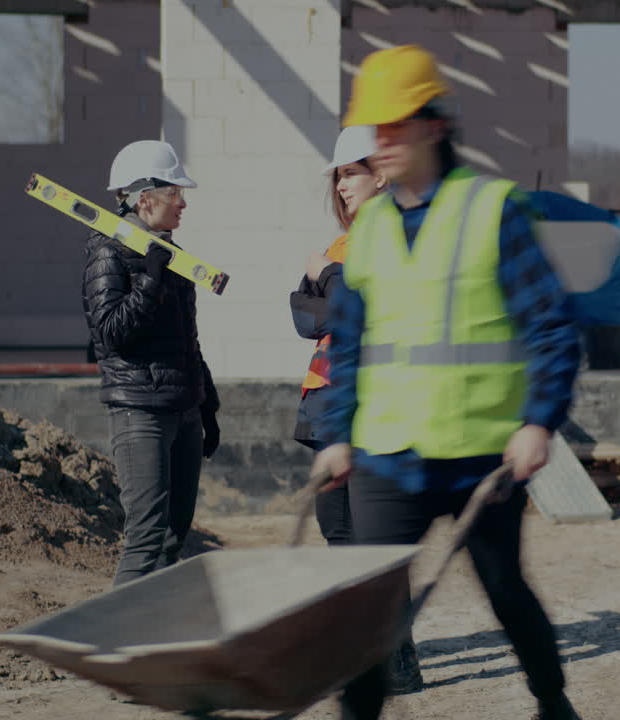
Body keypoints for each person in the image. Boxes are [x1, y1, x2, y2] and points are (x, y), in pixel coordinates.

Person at [310, 46, 583, 720]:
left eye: (395, 125)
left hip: (478, 455)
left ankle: (553, 703)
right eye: (375, 130)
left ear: (435, 124)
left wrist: (538, 421)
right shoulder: (369, 228)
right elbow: (346, 345)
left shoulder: (493, 209)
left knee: (506, 592)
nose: (383, 143)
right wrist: (336, 434)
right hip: (385, 454)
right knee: (369, 609)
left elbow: (552, 325)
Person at [288, 126, 423, 695]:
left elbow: (359, 310)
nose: (342, 185)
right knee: (337, 531)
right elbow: (301, 316)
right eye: (339, 176)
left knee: (376, 539)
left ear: (382, 173)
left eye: (351, 172)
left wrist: (327, 279)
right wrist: (331, 287)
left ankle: (398, 664)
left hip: (374, 405)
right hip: (327, 405)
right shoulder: (343, 244)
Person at [82, 140, 221, 587]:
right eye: (175, 193)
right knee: (144, 540)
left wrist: (206, 400)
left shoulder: (168, 251)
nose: (183, 203)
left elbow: (186, 336)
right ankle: (115, 650)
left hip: (183, 408)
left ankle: (155, 644)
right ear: (145, 199)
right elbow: (110, 333)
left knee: (172, 540)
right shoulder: (108, 253)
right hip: (140, 411)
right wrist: (149, 280)